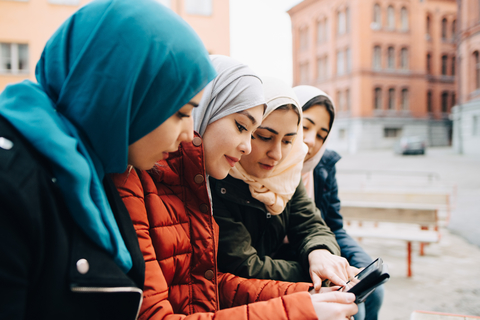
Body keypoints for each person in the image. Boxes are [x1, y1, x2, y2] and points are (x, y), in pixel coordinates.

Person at [0, 0, 216, 318]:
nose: (188, 134)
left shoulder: (93, 170)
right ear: (123, 92)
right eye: (181, 112)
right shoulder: (12, 183)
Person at [112, 56, 358, 320]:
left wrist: (311, 280)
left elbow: (208, 285)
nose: (252, 147)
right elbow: (237, 269)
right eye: (253, 132)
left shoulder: (204, 178)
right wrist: (302, 297)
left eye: (289, 141)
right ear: (206, 111)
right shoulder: (199, 179)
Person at [211, 77, 358, 292]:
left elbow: (311, 225)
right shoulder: (218, 179)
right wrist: (312, 270)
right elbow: (243, 265)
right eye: (263, 136)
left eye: (288, 141)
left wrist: (320, 253)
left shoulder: (286, 174)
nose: (277, 154)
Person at [294, 85, 384, 320]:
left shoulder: (323, 167)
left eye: (322, 134)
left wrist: (360, 260)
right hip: (300, 259)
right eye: (304, 126)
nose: (311, 140)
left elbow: (333, 225)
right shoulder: (273, 169)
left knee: (374, 289)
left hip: (324, 249)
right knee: (353, 303)